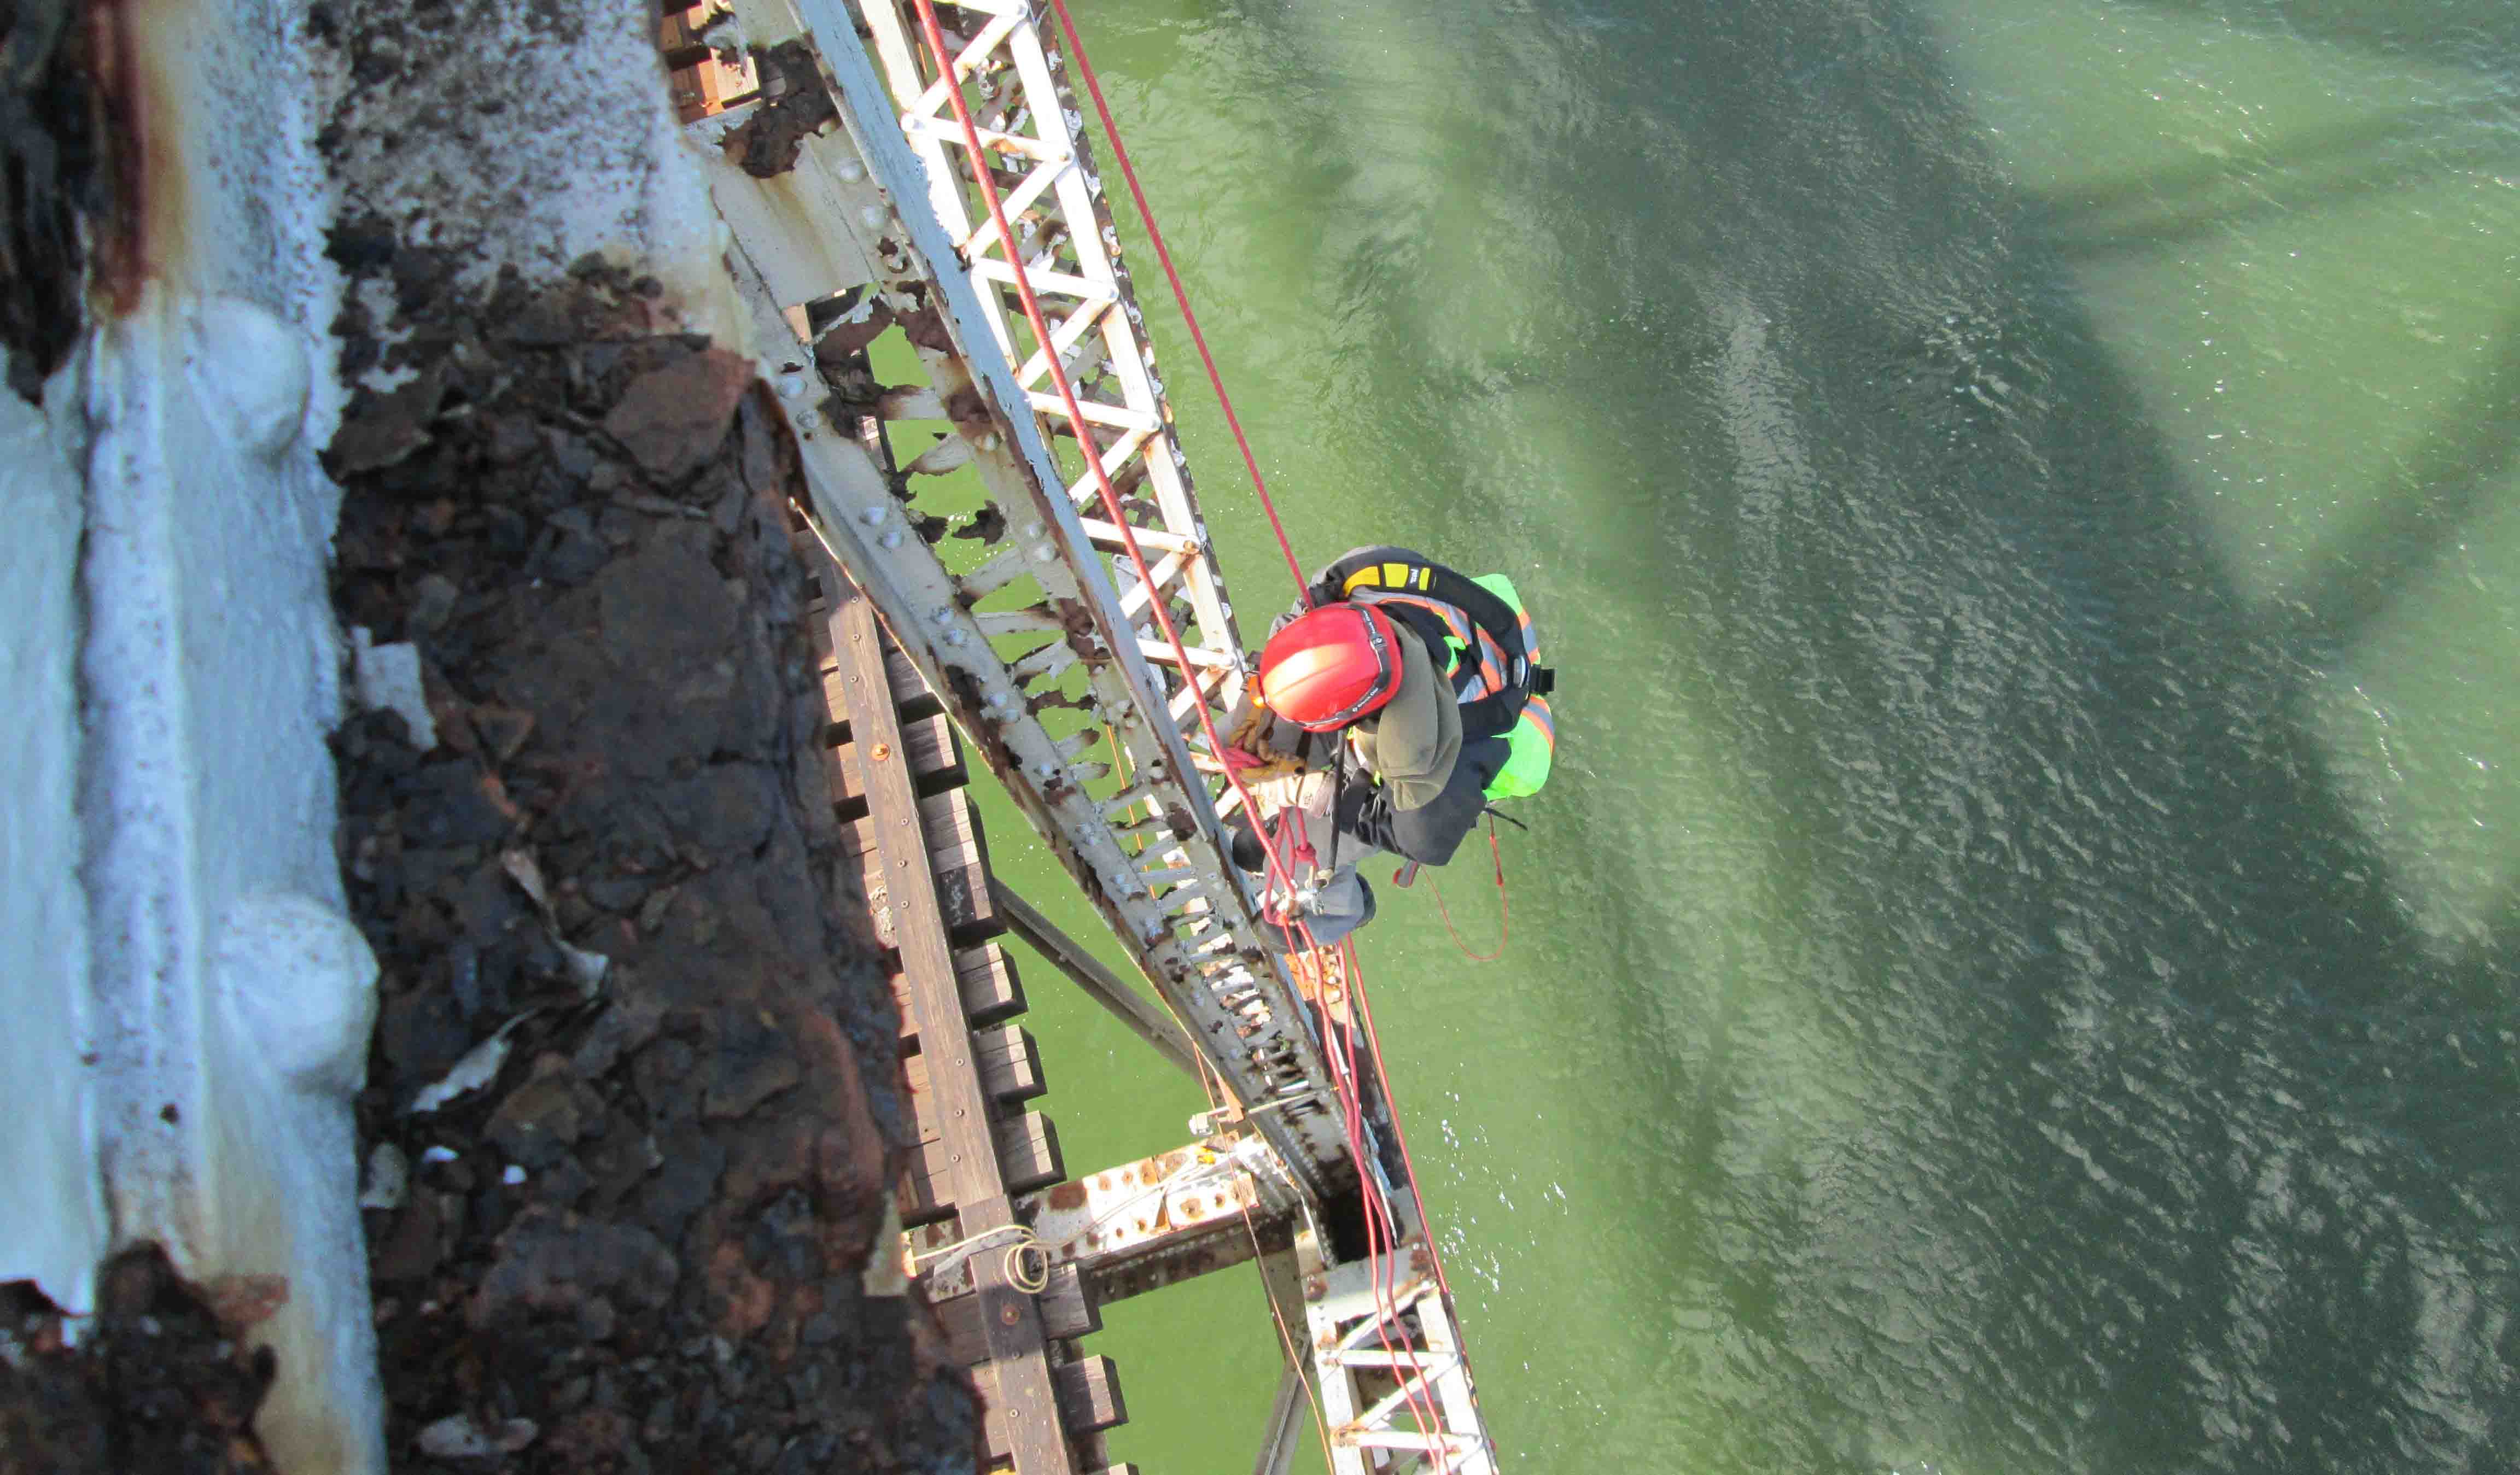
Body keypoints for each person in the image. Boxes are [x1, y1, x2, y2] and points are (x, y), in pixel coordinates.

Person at [1222, 546, 1554, 946]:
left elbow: (1421, 839)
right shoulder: (1359, 581)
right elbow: (1304, 615)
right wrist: (1257, 696)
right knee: (1264, 744)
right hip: (1473, 635)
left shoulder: (1431, 770)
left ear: (1355, 718)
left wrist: (1323, 792)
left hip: (1481, 744)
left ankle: (1347, 910)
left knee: (1276, 848)